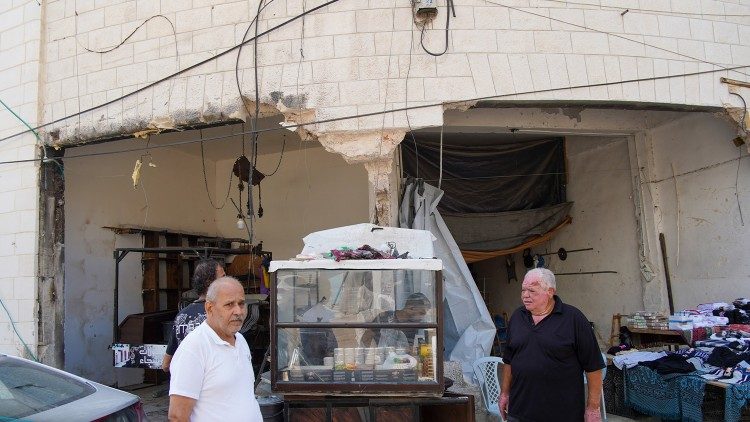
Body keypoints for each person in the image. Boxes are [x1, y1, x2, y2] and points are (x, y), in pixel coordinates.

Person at [500, 268, 605, 422]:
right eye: (523, 289)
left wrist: (593, 408)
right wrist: (504, 393)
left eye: (532, 290)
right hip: (519, 412)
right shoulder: (517, 317)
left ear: (550, 291)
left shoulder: (574, 319)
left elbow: (593, 367)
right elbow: (508, 361)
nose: (525, 295)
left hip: (562, 414)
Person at [168, 277, 262, 421]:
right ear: (209, 308)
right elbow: (177, 416)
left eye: (241, 304)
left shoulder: (240, 340)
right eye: (229, 304)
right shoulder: (194, 348)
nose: (238, 311)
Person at [161, 259, 225, 373]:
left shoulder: (182, 315)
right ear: (209, 282)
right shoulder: (222, 314)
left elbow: (166, 365)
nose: (227, 282)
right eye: (223, 277)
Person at [360, 292, 431, 349]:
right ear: (411, 308)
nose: (422, 317)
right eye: (421, 313)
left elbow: (409, 349)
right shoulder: (384, 317)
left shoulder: (414, 324)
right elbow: (366, 337)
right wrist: (367, 358)